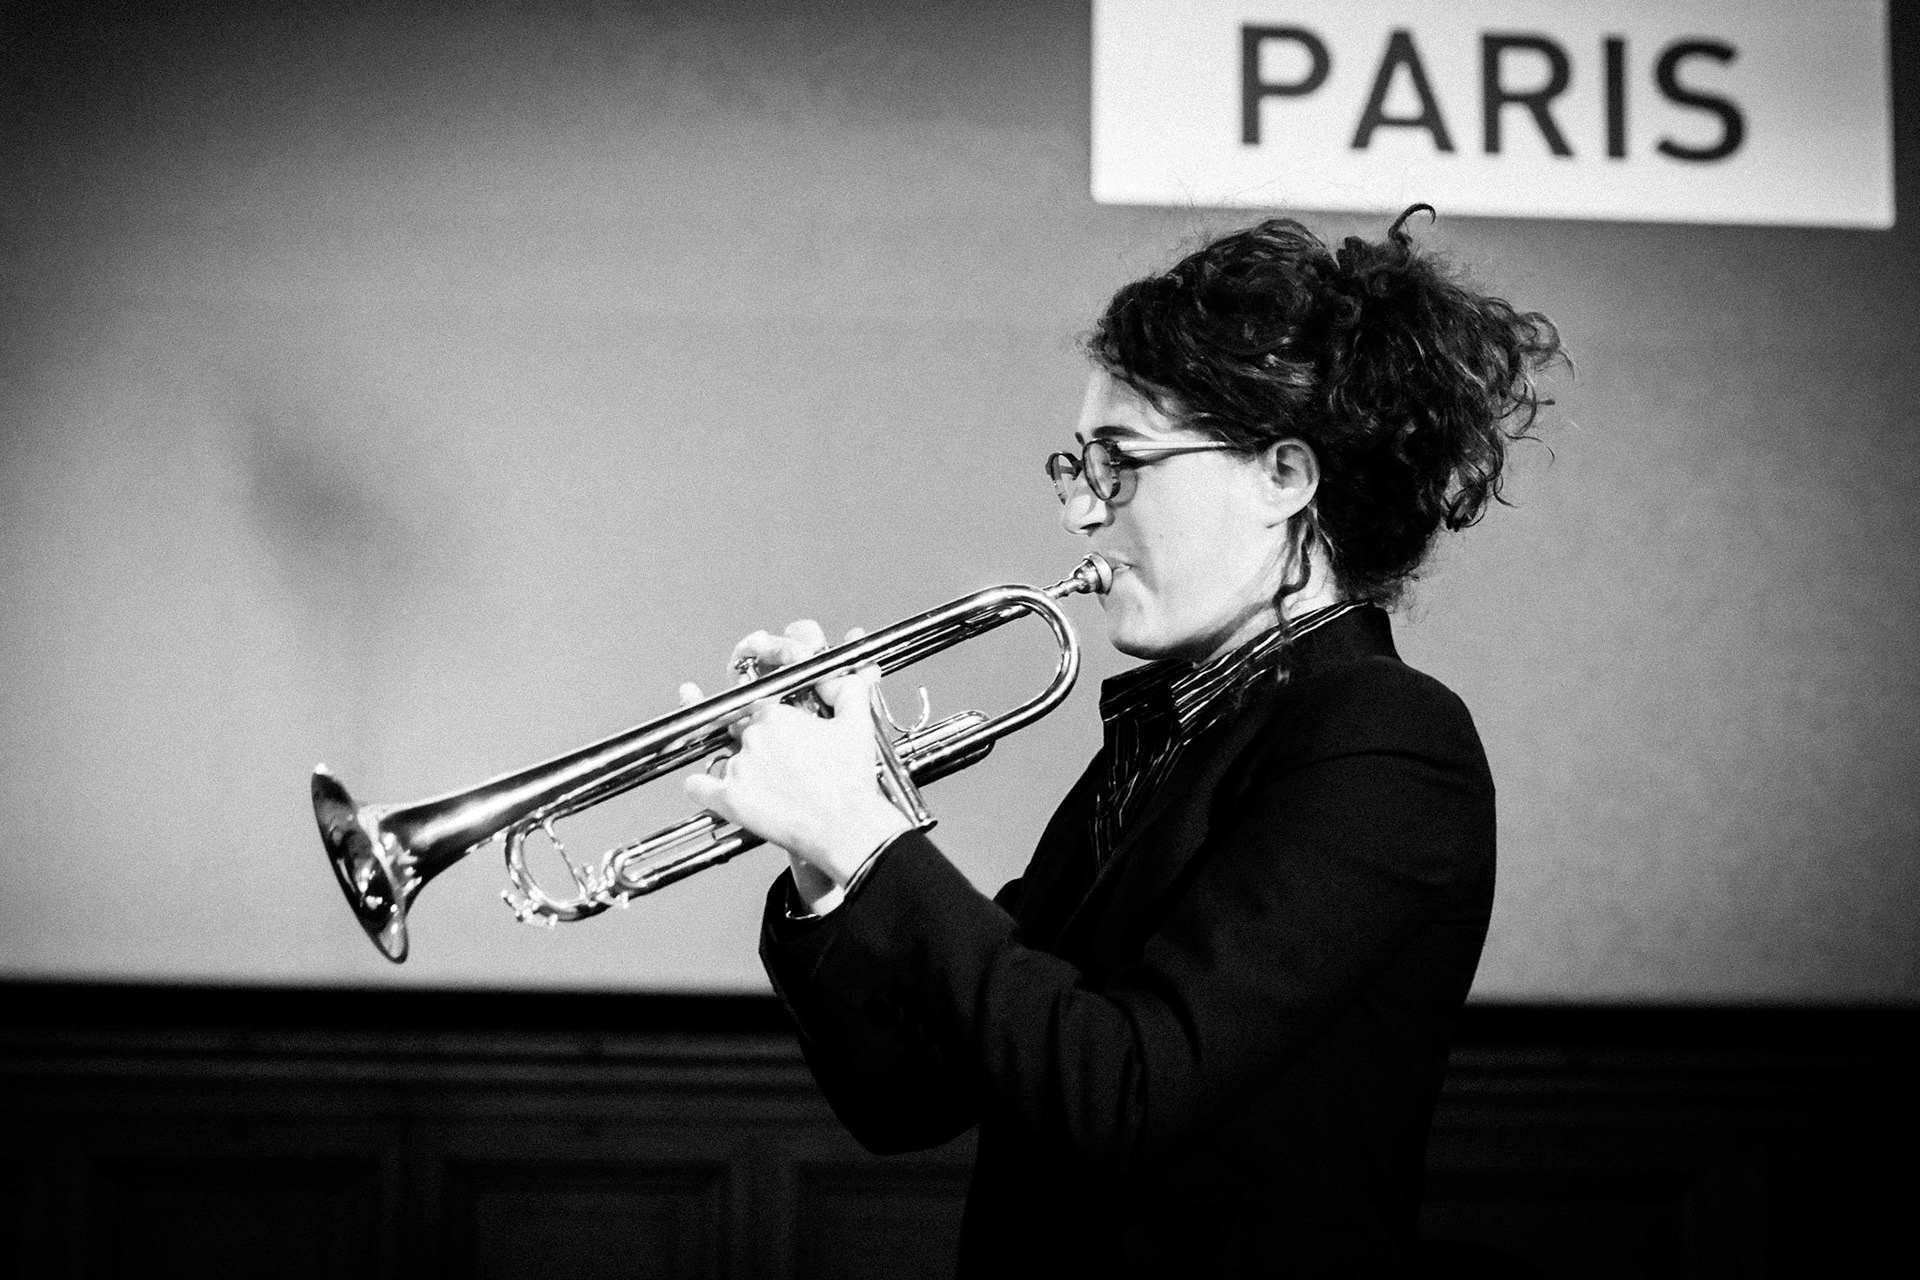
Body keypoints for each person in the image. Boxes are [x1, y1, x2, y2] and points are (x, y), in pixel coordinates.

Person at [683, 206, 1564, 1277]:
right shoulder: (1168, 736)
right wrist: (821, 855)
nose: (1081, 514)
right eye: (1078, 464)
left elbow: (1127, 1087)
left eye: (1123, 463)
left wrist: (868, 834)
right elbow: (906, 1096)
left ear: (1284, 475)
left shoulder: (1386, 737)